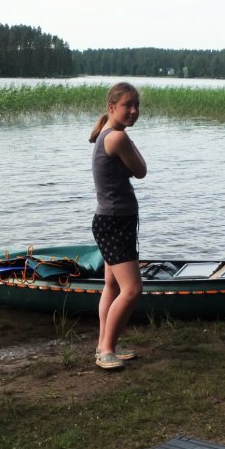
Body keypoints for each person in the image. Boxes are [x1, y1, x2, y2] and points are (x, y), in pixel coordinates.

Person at [89, 82, 147, 370]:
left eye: (137, 106)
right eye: (128, 105)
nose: (134, 111)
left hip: (109, 221)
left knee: (111, 286)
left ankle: (105, 345)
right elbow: (141, 171)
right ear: (112, 107)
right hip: (115, 223)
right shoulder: (117, 138)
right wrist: (129, 140)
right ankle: (107, 349)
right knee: (133, 289)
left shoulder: (106, 134)